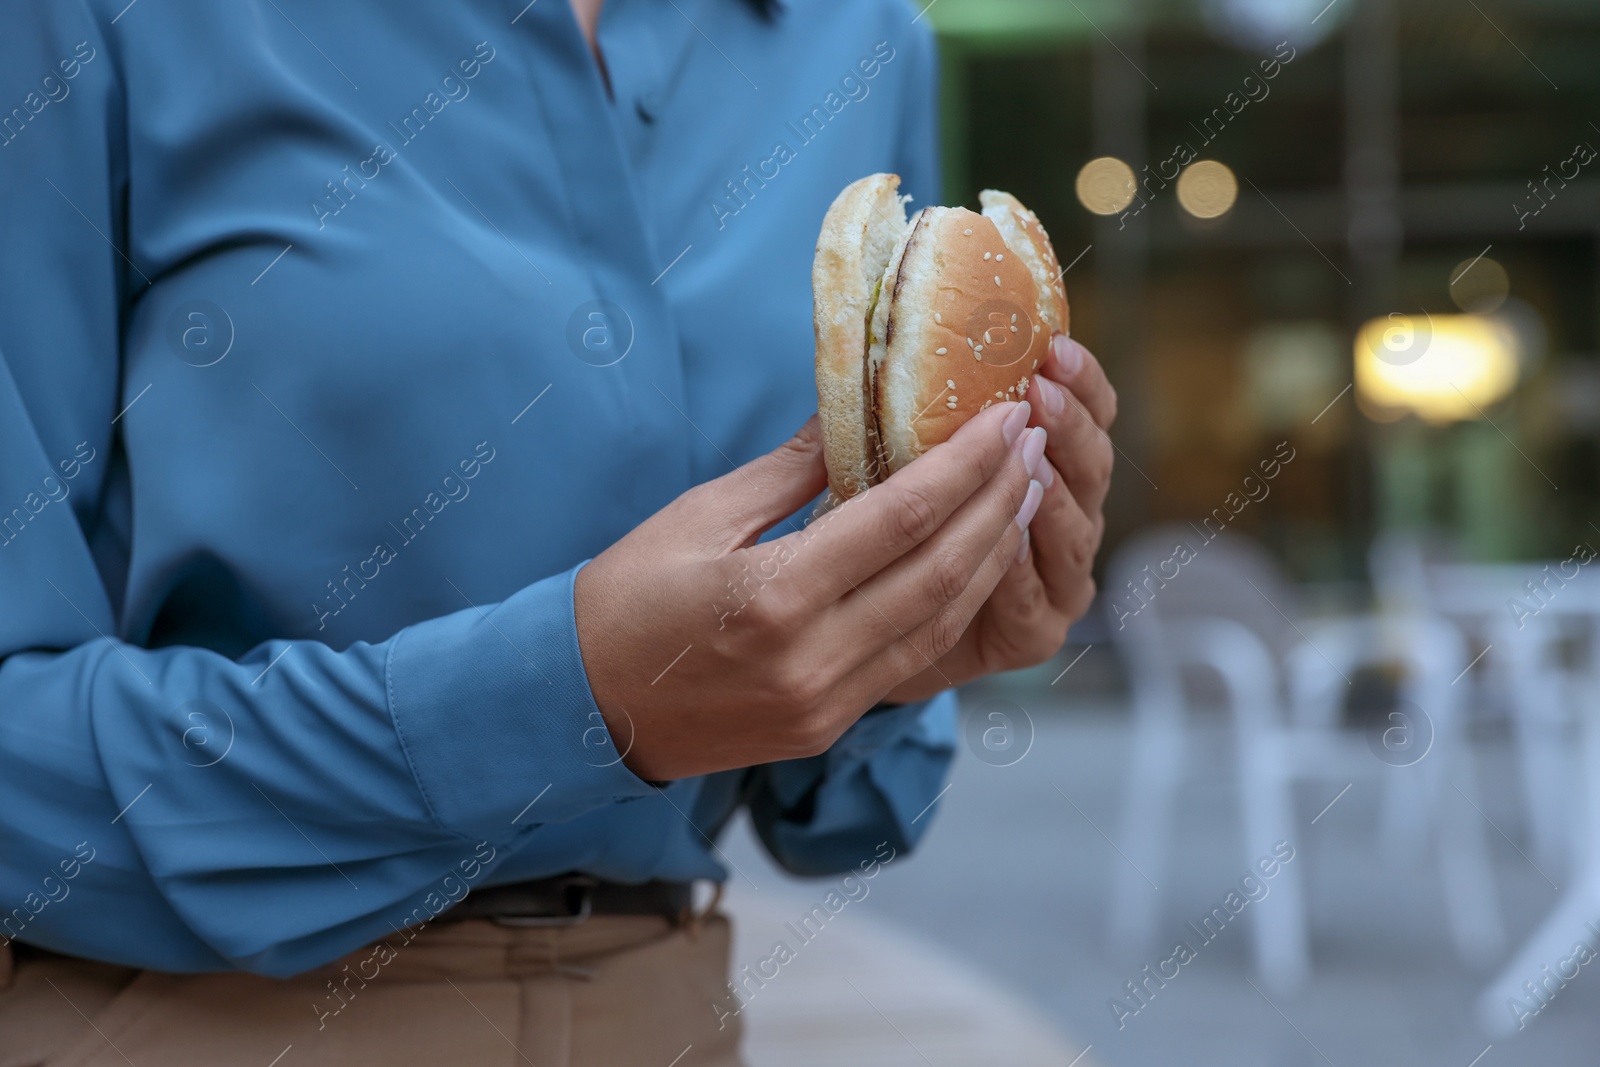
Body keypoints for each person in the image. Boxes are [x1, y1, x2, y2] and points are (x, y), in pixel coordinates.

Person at [0, 0, 1115, 1062]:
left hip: (667, 1011)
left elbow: (853, 815)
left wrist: (896, 648)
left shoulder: (860, 37)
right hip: (187, 1023)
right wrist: (565, 705)